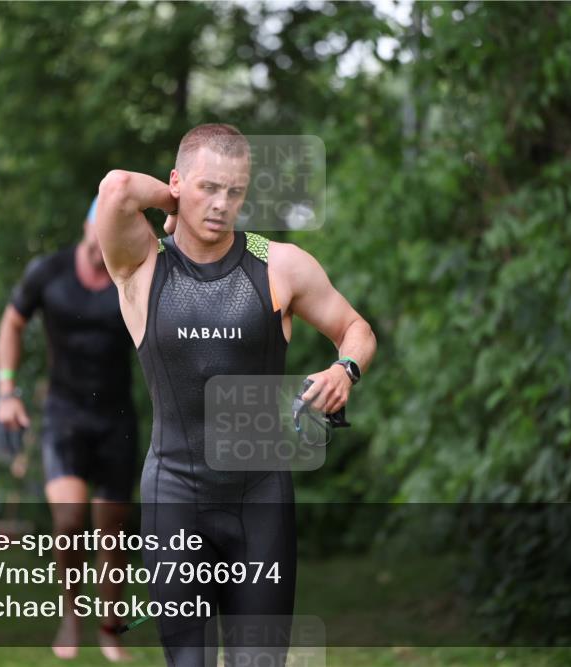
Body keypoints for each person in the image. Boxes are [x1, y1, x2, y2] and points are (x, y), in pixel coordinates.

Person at [96, 124, 376, 666]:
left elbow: (357, 329)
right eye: (207, 187)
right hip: (174, 495)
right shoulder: (141, 264)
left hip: (261, 501)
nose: (222, 204)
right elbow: (116, 188)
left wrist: (345, 370)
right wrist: (173, 204)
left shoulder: (280, 265)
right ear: (177, 183)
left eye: (235, 191)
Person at [0, 198, 139, 662]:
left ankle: (109, 626)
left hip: (116, 418)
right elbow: (11, 324)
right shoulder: (49, 272)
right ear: (87, 223)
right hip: (63, 415)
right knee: (69, 519)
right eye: (101, 225)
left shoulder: (133, 278)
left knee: (112, 532)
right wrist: (6, 390)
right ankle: (72, 613)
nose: (105, 238)